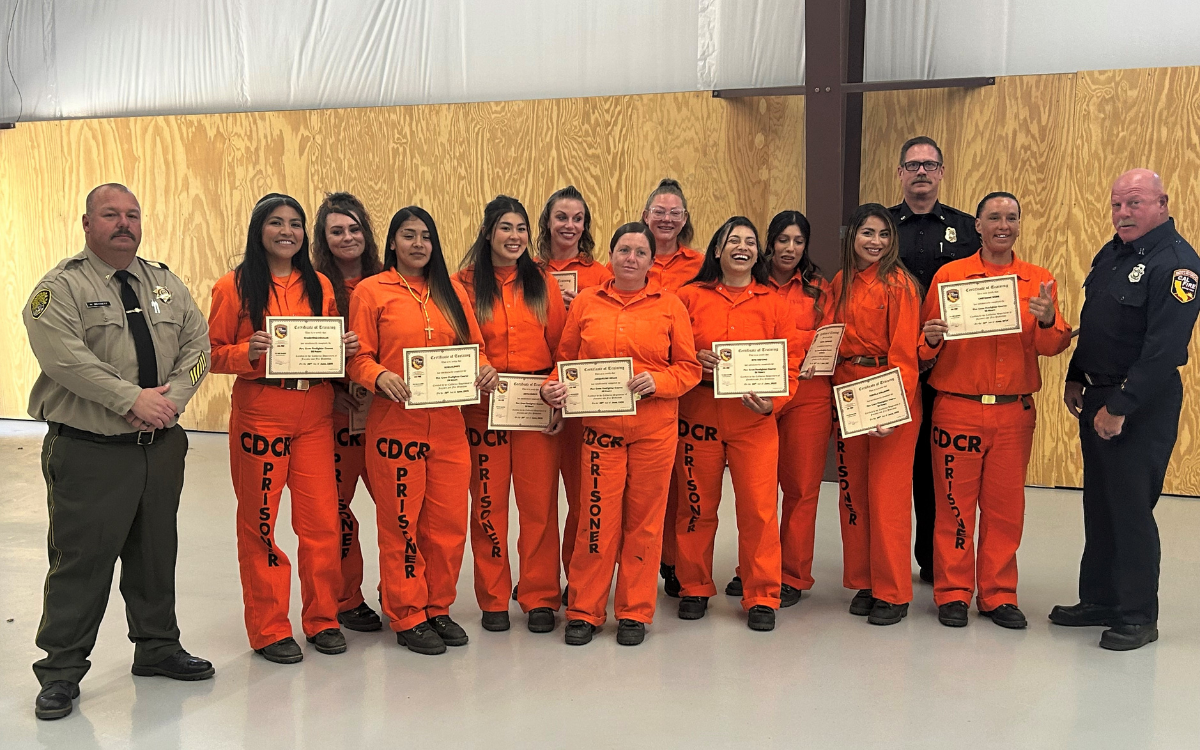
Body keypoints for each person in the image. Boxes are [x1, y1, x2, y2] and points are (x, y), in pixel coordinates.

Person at [23, 183, 215, 720]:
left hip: (160, 445)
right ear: (87, 223)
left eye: (132, 214)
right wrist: (130, 398)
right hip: (90, 451)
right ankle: (60, 670)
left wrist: (168, 403)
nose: (124, 223)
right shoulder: (59, 289)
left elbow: (198, 348)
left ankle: (157, 648)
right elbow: (64, 360)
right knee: (81, 563)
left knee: (156, 553)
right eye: (111, 214)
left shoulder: (165, 283)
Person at [1052, 169, 1200, 650]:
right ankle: (1099, 598)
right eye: (1117, 205)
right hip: (1098, 394)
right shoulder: (1113, 252)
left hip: (1139, 404)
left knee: (1131, 508)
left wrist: (1120, 406)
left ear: (1162, 203)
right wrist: (1077, 373)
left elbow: (1165, 350)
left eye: (1134, 203)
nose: (1123, 214)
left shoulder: (1176, 265)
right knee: (1098, 503)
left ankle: (1137, 614)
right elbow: (1096, 322)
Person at [208, 193, 358, 664]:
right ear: (260, 230)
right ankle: (270, 627)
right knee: (260, 525)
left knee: (321, 522)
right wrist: (244, 352)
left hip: (314, 413)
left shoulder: (320, 285)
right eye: (276, 223)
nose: (287, 231)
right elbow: (209, 355)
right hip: (262, 411)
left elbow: (327, 348)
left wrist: (344, 348)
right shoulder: (232, 286)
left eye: (295, 223)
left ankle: (323, 618)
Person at [347, 206, 498, 655]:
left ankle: (438, 606)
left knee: (448, 523)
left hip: (448, 424)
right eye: (408, 236)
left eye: (426, 237)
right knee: (401, 524)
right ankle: (408, 613)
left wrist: (485, 371)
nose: (418, 244)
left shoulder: (451, 290)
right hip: (396, 422)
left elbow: (476, 350)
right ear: (392, 243)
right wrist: (378, 376)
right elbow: (357, 357)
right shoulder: (372, 291)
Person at [541, 222, 701, 646]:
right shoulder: (588, 303)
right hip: (600, 434)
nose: (631, 258)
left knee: (644, 523)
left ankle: (634, 611)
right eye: (624, 250)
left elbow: (688, 368)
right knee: (596, 521)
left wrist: (659, 382)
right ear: (610, 255)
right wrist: (551, 388)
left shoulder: (670, 305)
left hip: (654, 432)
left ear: (652, 260)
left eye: (640, 252)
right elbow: (565, 360)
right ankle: (583, 609)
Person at [919, 192, 1071, 629]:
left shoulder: (1038, 280)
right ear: (978, 226)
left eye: (1011, 217)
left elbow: (1050, 345)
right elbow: (925, 345)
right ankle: (952, 592)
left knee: (1006, 509)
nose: (1003, 225)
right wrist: (931, 335)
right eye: (994, 218)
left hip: (1013, 414)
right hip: (957, 408)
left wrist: (1046, 320)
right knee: (953, 505)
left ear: (1019, 225)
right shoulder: (951, 276)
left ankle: (998, 594)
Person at [673, 217, 803, 632]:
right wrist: (694, 357)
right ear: (717, 250)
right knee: (696, 507)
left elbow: (792, 366)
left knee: (759, 510)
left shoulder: (775, 303)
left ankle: (762, 593)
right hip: (699, 413)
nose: (742, 247)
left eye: (750, 241)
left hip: (754, 419)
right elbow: (668, 351)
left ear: (756, 253)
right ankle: (693, 586)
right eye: (733, 241)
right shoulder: (687, 298)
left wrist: (774, 402)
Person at [457, 195, 567, 634]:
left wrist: (558, 391)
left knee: (539, 506)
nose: (515, 237)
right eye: (506, 228)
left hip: (535, 403)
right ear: (488, 233)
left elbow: (564, 343)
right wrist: (477, 363)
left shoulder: (542, 281)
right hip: (483, 408)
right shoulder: (462, 283)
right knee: (488, 506)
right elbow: (457, 339)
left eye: (521, 229)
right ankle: (493, 597)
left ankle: (539, 594)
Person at [724, 210, 832, 607]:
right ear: (769, 243)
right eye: (782, 240)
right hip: (757, 394)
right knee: (758, 490)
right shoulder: (751, 280)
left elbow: (830, 337)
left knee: (801, 488)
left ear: (806, 246)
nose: (790, 248)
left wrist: (804, 349)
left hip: (808, 394)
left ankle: (793, 575)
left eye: (798, 241)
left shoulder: (819, 288)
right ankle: (753, 569)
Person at [889, 136, 981, 584]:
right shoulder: (880, 228)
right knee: (891, 465)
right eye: (912, 165)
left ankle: (932, 558)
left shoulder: (967, 230)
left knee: (937, 467)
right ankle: (883, 562)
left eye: (929, 165)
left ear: (942, 172)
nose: (921, 172)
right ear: (900, 173)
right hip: (893, 365)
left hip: (949, 366)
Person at [830, 203, 922, 626]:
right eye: (868, 233)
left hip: (887, 391)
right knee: (854, 494)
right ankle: (865, 580)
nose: (876, 242)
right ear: (853, 237)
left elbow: (905, 353)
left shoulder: (899, 285)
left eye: (884, 234)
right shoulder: (839, 282)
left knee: (887, 497)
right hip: (848, 392)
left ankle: (893, 590)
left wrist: (893, 407)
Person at [312, 192, 385, 633]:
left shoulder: (389, 281)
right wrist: (331, 388)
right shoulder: (313, 285)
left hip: (383, 413)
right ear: (324, 238)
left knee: (400, 508)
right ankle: (346, 598)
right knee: (337, 511)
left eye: (355, 228)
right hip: (335, 415)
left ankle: (402, 589)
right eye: (337, 230)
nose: (347, 237)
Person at [630, 178, 706, 598]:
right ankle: (630, 562)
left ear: (685, 219)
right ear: (645, 216)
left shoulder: (699, 266)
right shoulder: (625, 261)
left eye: (675, 212)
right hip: (630, 395)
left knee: (681, 483)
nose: (666, 218)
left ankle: (675, 562)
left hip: (685, 385)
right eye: (659, 211)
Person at [536, 186, 612, 599]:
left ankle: (578, 577)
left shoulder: (602, 274)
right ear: (547, 221)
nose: (569, 225)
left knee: (584, 500)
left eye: (577, 218)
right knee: (539, 502)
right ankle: (539, 579)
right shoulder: (528, 270)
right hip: (537, 392)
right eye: (561, 217)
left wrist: (582, 303)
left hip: (584, 398)